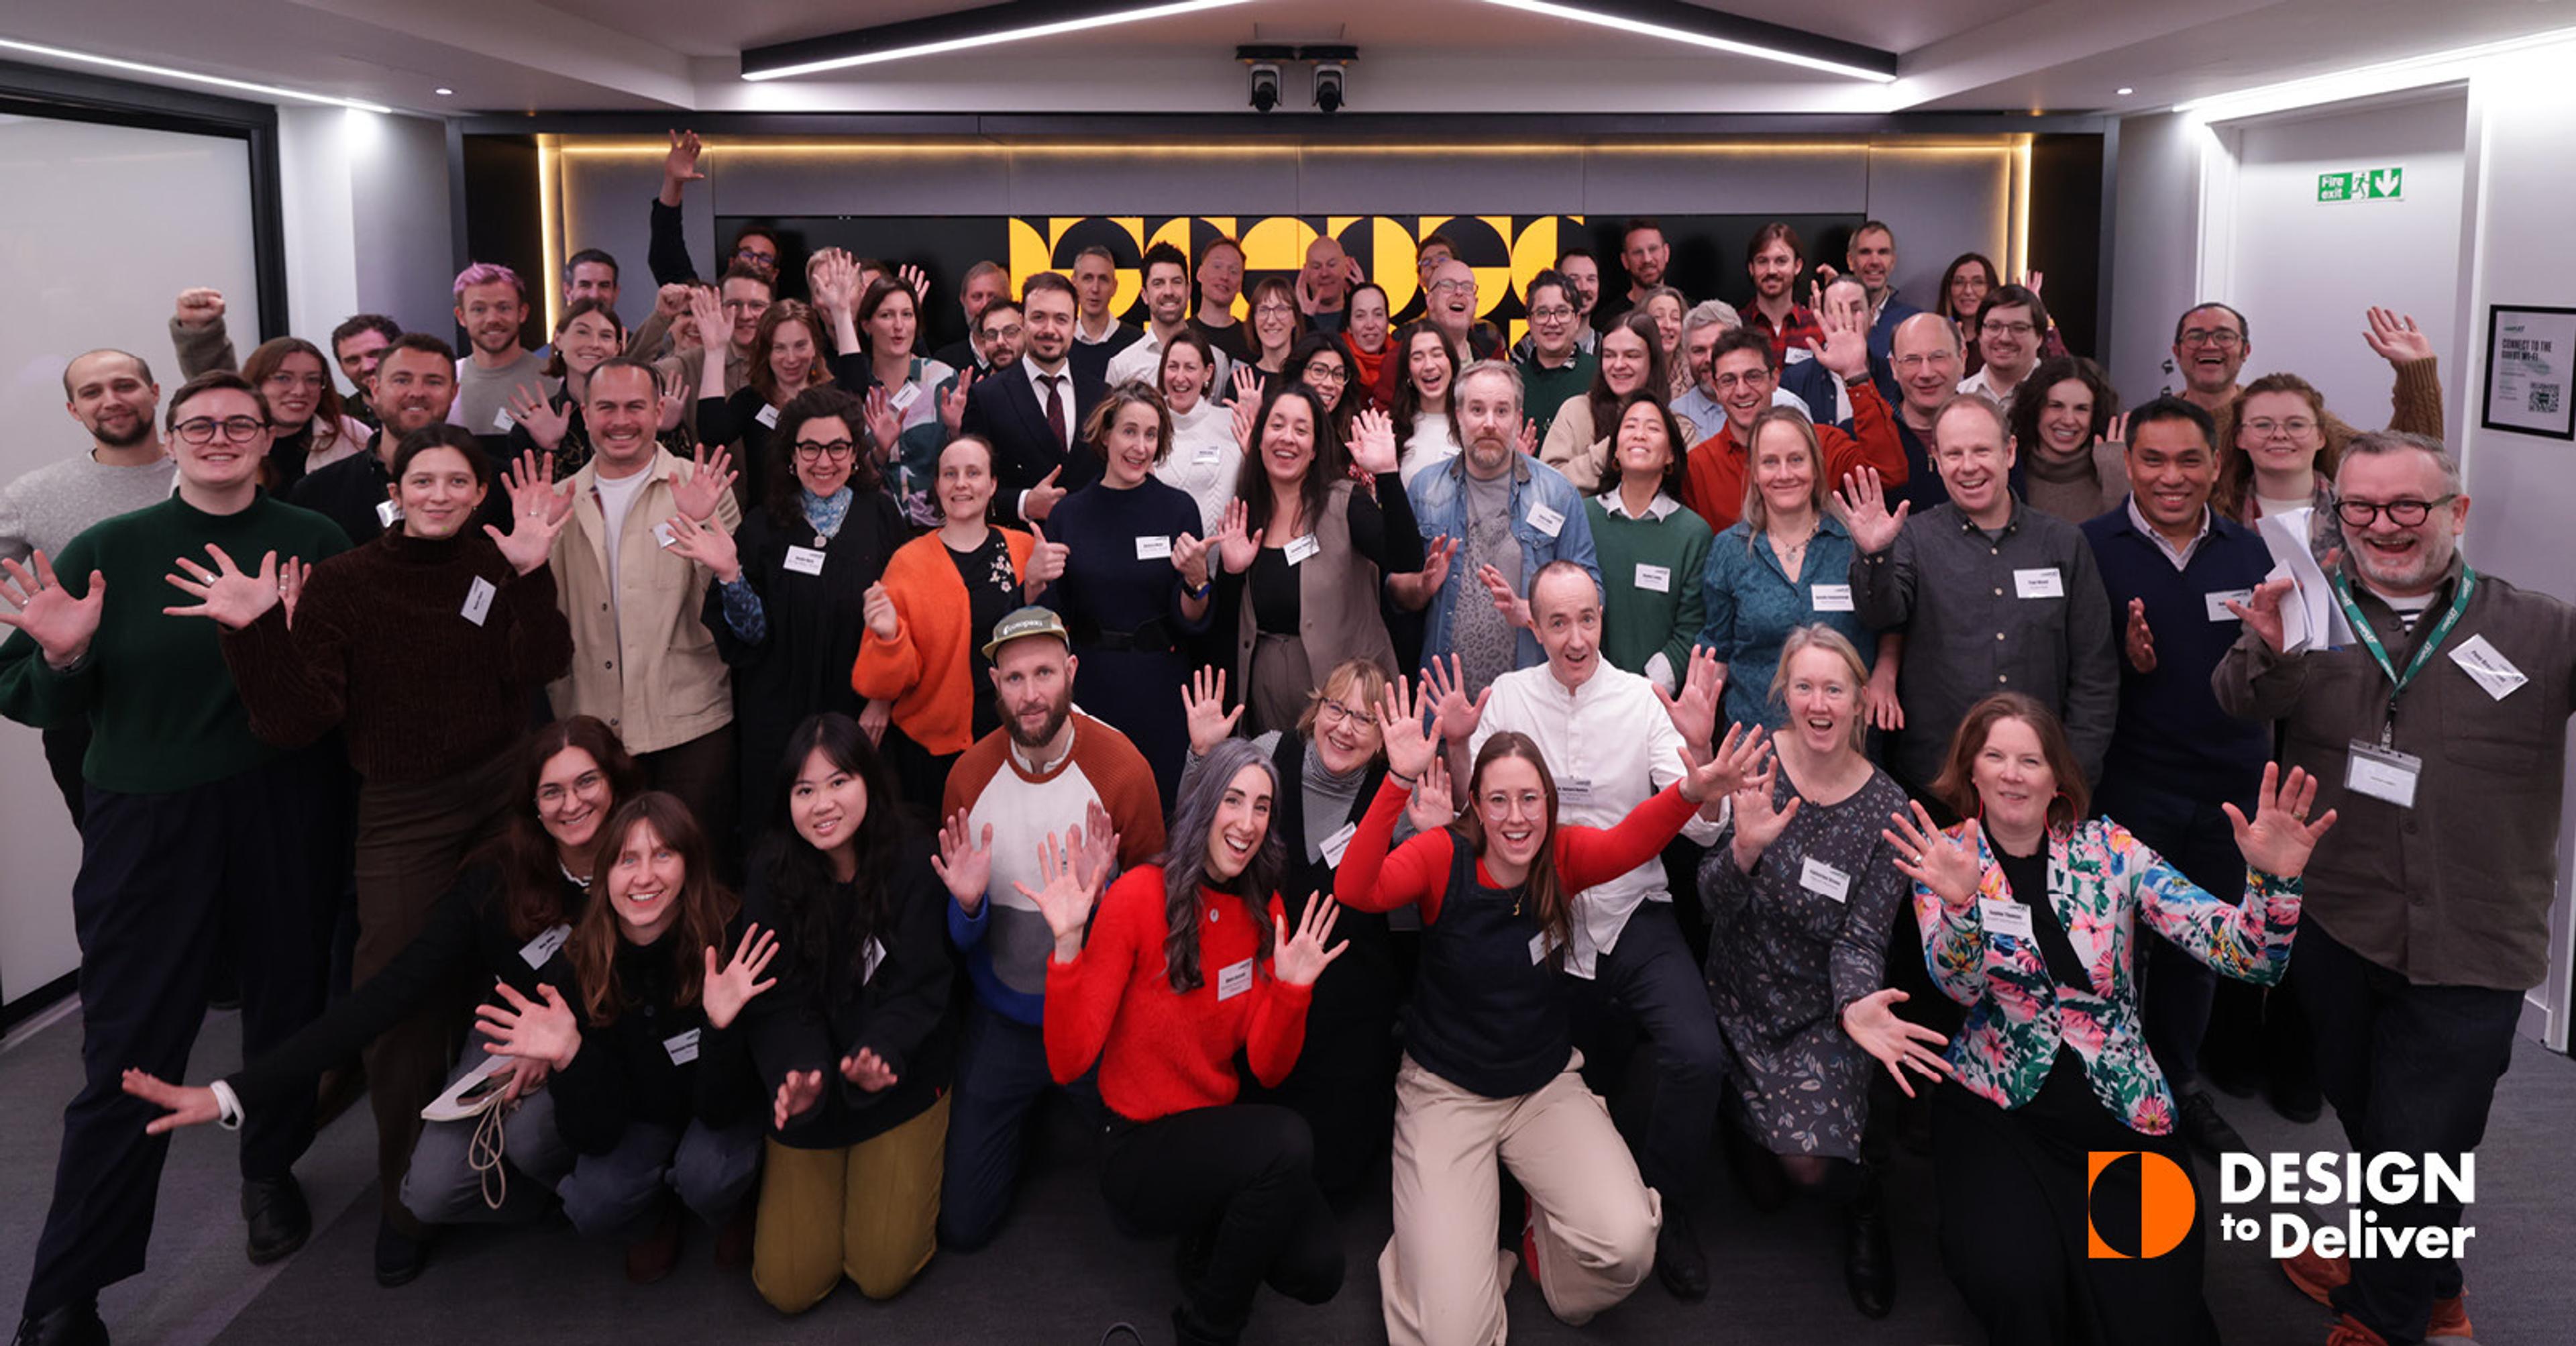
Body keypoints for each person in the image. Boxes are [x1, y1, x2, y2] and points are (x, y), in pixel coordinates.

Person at [2, 372, 350, 1346]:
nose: (221, 437)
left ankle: (269, 1167)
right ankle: (68, 1289)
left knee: (286, 998)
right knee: (127, 1043)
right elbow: (34, 694)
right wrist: (65, 657)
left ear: (266, 440)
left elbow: (335, 690)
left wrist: (274, 638)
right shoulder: (111, 548)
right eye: (200, 424)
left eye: (241, 423)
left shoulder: (313, 540)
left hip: (284, 802)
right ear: (173, 435)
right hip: (148, 818)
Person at [183, 423, 574, 1280]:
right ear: (395, 487)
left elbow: (546, 662)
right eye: (422, 479)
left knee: (527, 972)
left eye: (456, 482)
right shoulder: (345, 582)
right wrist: (254, 635)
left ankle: (530, 1154)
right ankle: (407, 1194)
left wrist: (534, 570)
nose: (439, 494)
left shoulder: (497, 560)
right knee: (398, 1000)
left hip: (508, 792)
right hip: (405, 810)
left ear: (480, 492)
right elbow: (296, 721)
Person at [2216, 431, 2576, 1346]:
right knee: (2374, 1119)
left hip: (2475, 936)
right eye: (2362, 508)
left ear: (2454, 512)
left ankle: (2384, 1319)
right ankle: (2429, 1279)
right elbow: (2240, 702)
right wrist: (2267, 647)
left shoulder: (2542, 627)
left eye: (2407, 505)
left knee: (2423, 1141)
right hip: (2341, 918)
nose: (2384, 525)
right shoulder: (2305, 605)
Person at [1884, 695, 2334, 1346]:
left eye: (2030, 758)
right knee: (2019, 1285)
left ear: (2056, 777)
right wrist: (1960, 904)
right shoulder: (1948, 854)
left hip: (2121, 1107)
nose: (2013, 773)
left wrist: (2275, 882)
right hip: (1999, 1106)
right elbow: (1955, 982)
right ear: (1971, 771)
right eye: (1996, 756)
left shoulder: (2111, 851)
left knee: (2154, 1306)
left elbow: (2248, 957)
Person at [1336, 684, 1760, 1345]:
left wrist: (1692, 789)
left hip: (1541, 1084)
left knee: (1627, 1248)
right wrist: (1395, 778)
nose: (1515, 816)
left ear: (1549, 806)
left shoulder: (1562, 854)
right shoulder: (1441, 855)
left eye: (1530, 799)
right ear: (1475, 804)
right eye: (1498, 798)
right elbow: (1355, 888)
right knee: (1450, 1336)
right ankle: (1430, 1266)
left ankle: (1539, 1247)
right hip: (1446, 1092)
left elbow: (1628, 840)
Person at [119, 718, 638, 1255]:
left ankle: (617, 1193)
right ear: (531, 803)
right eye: (551, 791)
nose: (571, 804)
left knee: (533, 1139)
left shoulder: (646, 861)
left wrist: (561, 1046)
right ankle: (557, 1200)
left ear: (616, 783)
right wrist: (231, 1092)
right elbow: (387, 994)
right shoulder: (497, 878)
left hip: (611, 1040)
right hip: (514, 1036)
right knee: (430, 1193)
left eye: (587, 783)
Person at [1437, 561, 1735, 1298]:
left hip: (1633, 908)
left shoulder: (1639, 700)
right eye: (1557, 622)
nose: (1575, 638)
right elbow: (1468, 815)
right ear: (1532, 627)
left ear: (1603, 618)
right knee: (1533, 1063)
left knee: (1698, 1055)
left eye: (1588, 619)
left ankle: (1664, 1203)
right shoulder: (1507, 695)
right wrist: (1452, 748)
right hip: (1538, 916)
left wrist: (1698, 753)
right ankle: (1526, 1196)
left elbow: (1702, 829)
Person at [1036, 735, 1350, 1345]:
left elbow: (1269, 1066)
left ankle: (1207, 1243)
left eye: (1262, 806)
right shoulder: (1138, 897)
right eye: (1234, 800)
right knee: (1288, 1140)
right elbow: (1067, 1059)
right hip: (1138, 1147)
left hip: (1213, 1137)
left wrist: (1290, 993)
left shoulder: (1267, 912)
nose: (1248, 821)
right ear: (1206, 805)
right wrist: (1068, 946)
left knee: (1320, 1268)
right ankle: (1206, 1333)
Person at [1699, 626, 1925, 1318]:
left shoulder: (1888, 808)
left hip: (1820, 1005)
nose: (1819, 702)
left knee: (1809, 1169)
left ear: (1862, 700)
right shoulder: (1754, 762)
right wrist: (1740, 849)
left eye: (1834, 688)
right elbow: (1709, 901)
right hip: (1738, 992)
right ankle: (1747, 1113)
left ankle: (1865, 1201)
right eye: (1804, 686)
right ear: (1784, 694)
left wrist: (1856, 1004)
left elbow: (1861, 937)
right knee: (1765, 1193)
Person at [2076, 395, 2276, 1161]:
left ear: (2217, 465)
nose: (2171, 476)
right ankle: (2115, 1085)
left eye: (2190, 459)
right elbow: (2072, 671)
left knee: (2202, 953)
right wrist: (2126, 661)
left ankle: (2178, 1081)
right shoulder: (2091, 546)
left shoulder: (2252, 554)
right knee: (2113, 948)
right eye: (2153, 459)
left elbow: (2278, 674)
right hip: (2129, 784)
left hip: (2227, 788)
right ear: (2127, 465)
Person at [931, 607, 1167, 1251]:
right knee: (963, 1225)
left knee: (1145, 1213)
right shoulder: (969, 777)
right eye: (1014, 679)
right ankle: (1029, 1114)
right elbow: (958, 941)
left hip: (1096, 1018)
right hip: (1004, 1020)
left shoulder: (1122, 770)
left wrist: (1110, 895)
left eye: (1043, 674)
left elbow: (1159, 923)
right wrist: (970, 908)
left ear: (1071, 673)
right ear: (995, 685)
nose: (1030, 694)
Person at [475, 791, 767, 1280]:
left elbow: (728, 1105)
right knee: (592, 1204)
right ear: (603, 877)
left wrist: (720, 1027)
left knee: (709, 1176)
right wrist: (570, 1056)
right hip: (638, 1117)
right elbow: (594, 1135)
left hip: (716, 1110)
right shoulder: (575, 967)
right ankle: (653, 1219)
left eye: (663, 855)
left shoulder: (729, 936)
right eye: (627, 859)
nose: (644, 876)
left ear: (690, 865)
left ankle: (728, 1207)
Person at [740, 714, 959, 1312]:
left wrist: (880, 1054)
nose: (822, 804)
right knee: (787, 1286)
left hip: (899, 1072)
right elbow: (774, 996)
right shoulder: (770, 871)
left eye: (838, 782)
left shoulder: (914, 857)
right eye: (804, 790)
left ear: (869, 779)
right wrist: (800, 1074)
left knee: (880, 1269)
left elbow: (921, 987)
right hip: (806, 1084)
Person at [1176, 660, 1409, 1202]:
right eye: (1336, 708)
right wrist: (1202, 758)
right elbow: (1193, 826)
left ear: (1382, 738)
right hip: (1258, 1000)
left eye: (1363, 719)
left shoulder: (1393, 792)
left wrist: (1436, 824)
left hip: (1351, 1014)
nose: (1345, 727)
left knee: (1332, 1187)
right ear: (1316, 708)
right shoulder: (1269, 755)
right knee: (1250, 1167)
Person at [1841, 392, 2118, 801]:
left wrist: (2073, 776)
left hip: (2040, 788)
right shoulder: (1914, 538)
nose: (1968, 467)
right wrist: (1874, 554)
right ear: (1935, 458)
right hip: (1937, 784)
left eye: (1981, 451)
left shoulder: (2063, 543)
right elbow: (1881, 614)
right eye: (1954, 454)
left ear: (2009, 452)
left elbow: (2095, 675)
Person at [672, 386, 908, 849]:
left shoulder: (881, 516)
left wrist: (883, 700)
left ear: (856, 453)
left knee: (863, 836)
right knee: (783, 838)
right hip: (779, 715)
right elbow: (751, 635)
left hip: (861, 710)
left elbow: (903, 620)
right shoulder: (762, 527)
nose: (825, 461)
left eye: (838, 447)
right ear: (791, 456)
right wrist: (730, 575)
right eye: (811, 448)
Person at [544, 357, 747, 870]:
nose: (620, 420)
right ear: (584, 414)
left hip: (689, 724)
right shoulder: (556, 502)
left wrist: (702, 532)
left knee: (697, 869)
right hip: (590, 729)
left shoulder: (701, 488)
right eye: (606, 407)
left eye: (635, 406)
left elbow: (731, 610)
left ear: (660, 411)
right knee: (607, 879)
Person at [0, 350, 178, 827]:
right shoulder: (33, 494)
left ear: (155, 392)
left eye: (125, 386)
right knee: (120, 875)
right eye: (92, 392)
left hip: (202, 701)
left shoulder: (202, 476)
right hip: (88, 713)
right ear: (73, 410)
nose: (111, 400)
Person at [1034, 382, 1218, 805]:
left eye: (1151, 435)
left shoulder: (1178, 509)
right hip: (1090, 689)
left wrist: (1197, 582)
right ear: (1106, 435)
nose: (1140, 446)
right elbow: (1051, 614)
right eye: (1129, 432)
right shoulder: (1069, 515)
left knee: (1161, 813)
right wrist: (1034, 582)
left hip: (1161, 690)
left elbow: (1192, 617)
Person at [1215, 384, 1419, 732]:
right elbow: (1225, 625)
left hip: (1348, 711)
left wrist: (1386, 473)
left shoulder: (1344, 502)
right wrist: (1231, 574)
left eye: (1301, 429)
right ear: (1259, 440)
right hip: (1267, 710)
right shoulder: (1246, 514)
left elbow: (1406, 558)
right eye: (1277, 426)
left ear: (1314, 449)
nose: (1288, 438)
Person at [853, 434, 1037, 810]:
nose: (962, 484)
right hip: (933, 751)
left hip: (1016, 737)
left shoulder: (1024, 549)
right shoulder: (908, 563)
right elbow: (888, 679)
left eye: (973, 472)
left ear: (993, 484)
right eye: (950, 474)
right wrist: (889, 638)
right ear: (937, 486)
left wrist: (1038, 584)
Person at [1408, 360, 1599, 693]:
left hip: (1531, 696)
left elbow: (1593, 592)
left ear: (1518, 418)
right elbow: (1396, 592)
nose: (1489, 424)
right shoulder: (1425, 489)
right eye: (1477, 410)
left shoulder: (1557, 494)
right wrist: (1422, 586)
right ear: (1459, 417)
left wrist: (1531, 612)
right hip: (1444, 696)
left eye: (1502, 410)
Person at [1701, 408, 1894, 733]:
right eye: (1770, 462)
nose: (1784, 474)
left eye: (1796, 460)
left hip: (1844, 742)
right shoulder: (1730, 550)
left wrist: (1885, 672)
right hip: (1757, 742)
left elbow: (1890, 619)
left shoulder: (1853, 541)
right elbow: (1717, 652)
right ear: (1756, 473)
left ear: (1816, 467)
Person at [1678, 319, 1905, 533]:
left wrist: (1856, 376)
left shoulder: (1823, 444)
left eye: (1753, 376)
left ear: (1775, 379)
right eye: (1729, 380)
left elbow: (1888, 474)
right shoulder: (1698, 467)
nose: (1741, 390)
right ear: (1717, 389)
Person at [292, 335, 508, 548]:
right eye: (402, 380)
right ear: (375, 389)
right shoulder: (318, 493)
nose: (416, 392)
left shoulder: (502, 487)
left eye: (433, 382)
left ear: (454, 393)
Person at [1584, 392, 1711, 692]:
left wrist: (1643, 692)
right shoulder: (1584, 518)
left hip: (1656, 700)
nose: (1640, 434)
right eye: (1630, 427)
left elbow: (1692, 628)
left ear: (1670, 456)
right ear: (1615, 452)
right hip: (1584, 688)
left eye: (1653, 428)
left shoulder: (1693, 534)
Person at [816, 264, 955, 523]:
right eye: (887, 316)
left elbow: (967, 463)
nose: (899, 326)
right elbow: (845, 475)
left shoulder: (941, 379)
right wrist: (880, 451)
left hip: (938, 529)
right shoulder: (855, 387)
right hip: (874, 527)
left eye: (907, 315)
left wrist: (957, 429)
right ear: (867, 325)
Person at [962, 272, 1098, 526]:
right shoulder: (987, 397)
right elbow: (967, 489)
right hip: (1019, 550)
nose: (1050, 330)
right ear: (1023, 322)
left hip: (1093, 551)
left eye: (1061, 319)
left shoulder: (1101, 395)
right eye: (1039, 317)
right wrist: (1025, 503)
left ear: (1075, 327)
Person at [694, 295, 853, 508]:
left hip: (831, 521)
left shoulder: (835, 396)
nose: (791, 358)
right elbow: (712, 432)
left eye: (800, 346)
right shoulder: (750, 401)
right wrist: (715, 352)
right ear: (766, 352)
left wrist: (842, 315)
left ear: (815, 346)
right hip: (769, 527)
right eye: (779, 348)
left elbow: (859, 382)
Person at [509, 299, 689, 478]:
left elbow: (682, 489)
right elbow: (530, 505)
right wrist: (549, 448)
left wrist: (665, 431)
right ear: (558, 339)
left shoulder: (650, 414)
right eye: (582, 332)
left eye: (605, 336)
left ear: (617, 348)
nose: (594, 344)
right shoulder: (532, 427)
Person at [1534, 306, 1650, 489]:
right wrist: (1610, 449)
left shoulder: (1673, 421)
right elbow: (1549, 485)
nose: (1619, 365)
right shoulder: (1575, 411)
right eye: (1609, 355)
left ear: (1652, 360)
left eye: (1631, 355)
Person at [236, 337, 370, 493]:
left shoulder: (351, 435)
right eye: (283, 378)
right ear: (256, 383)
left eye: (312, 380)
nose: (300, 391)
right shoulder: (229, 438)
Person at [648, 130, 778, 285]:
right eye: (747, 254)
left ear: (774, 274)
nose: (754, 263)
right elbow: (667, 258)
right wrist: (673, 183)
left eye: (764, 258)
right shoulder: (704, 304)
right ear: (732, 263)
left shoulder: (788, 310)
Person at [2011, 355, 2127, 523]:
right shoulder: (2010, 472)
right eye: (2056, 406)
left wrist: (2117, 476)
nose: (2068, 420)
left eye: (2081, 409)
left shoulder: (2114, 470)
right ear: (2036, 409)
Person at [448, 263, 553, 440]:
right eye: (479, 309)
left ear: (523, 313)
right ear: (461, 316)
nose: (492, 319)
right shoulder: (448, 379)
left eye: (504, 308)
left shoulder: (554, 377)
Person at [1150, 329, 1240, 535]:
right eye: (1173, 367)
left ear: (1207, 372)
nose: (1180, 378)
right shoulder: (1148, 427)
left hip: (1223, 561)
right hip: (1160, 559)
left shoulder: (1232, 424)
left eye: (1190, 368)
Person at [1106, 243, 1227, 389]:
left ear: (1188, 290)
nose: (1168, 291)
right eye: (1158, 283)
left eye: (1176, 282)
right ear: (1145, 295)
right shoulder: (1122, 367)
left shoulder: (1216, 361)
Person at [1884, 312, 1969, 514]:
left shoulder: (1993, 432)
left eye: (1938, 357)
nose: (1926, 373)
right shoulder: (1861, 436)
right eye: (1912, 360)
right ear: (1894, 368)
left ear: (1962, 359)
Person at [1843, 220, 1925, 401]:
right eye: (1865, 252)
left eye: (1883, 252)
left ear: (1892, 261)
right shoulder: (1832, 319)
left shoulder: (1914, 321)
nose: (1874, 261)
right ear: (1851, 261)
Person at [1387, 320, 1461, 488]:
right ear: (1408, 371)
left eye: (1437, 354)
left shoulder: (1471, 423)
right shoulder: (1392, 429)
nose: (1429, 366)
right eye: (1418, 357)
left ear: (1452, 363)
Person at [1955, 284, 2047, 415]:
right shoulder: (1960, 396)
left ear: (2039, 338)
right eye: (1994, 327)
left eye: (2019, 328)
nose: (2005, 338)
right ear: (1979, 335)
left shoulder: (2058, 396)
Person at [1739, 223, 1822, 366]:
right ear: (1751, 268)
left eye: (1781, 261)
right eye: (1762, 261)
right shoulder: (1735, 328)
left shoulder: (1817, 328)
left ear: (1797, 266)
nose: (1771, 270)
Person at [932, 260, 1012, 376]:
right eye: (977, 297)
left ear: (1008, 300)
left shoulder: (1022, 359)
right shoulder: (943, 362)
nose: (985, 305)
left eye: (993, 297)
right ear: (963, 300)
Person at [1233, 277, 1305, 402]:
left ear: (1295, 319)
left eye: (1281, 309)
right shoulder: (1241, 381)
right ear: (1253, 320)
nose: (1271, 320)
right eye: (1263, 310)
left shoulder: (1309, 376)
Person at [1282, 332, 1360, 444]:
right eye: (1319, 371)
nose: (1329, 384)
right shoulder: (1274, 426)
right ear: (1298, 374)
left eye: (1338, 374)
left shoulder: (1356, 437)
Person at [1189, 236, 1252, 367]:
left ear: (1241, 284)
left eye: (1234, 271)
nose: (1225, 276)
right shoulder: (1182, 334)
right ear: (1199, 273)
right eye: (1217, 267)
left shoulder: (1252, 340)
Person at [1069, 244, 1144, 356]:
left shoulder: (1138, 343)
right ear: (1074, 284)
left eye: (1103, 279)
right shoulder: (1060, 342)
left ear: (1114, 287)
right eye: (1088, 278)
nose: (1095, 288)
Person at [1336, 282, 1395, 408]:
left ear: (1387, 321)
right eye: (1360, 316)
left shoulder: (1403, 361)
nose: (1370, 325)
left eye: (1378, 314)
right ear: (1349, 326)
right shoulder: (1336, 364)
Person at [1606, 217, 1672, 324]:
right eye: (1638, 252)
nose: (1647, 259)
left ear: (1666, 253)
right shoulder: (1608, 320)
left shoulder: (1690, 314)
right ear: (1625, 261)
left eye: (1653, 249)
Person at [1935, 253, 1997, 364]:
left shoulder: (2002, 339)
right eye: (1959, 282)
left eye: (1978, 282)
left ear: (1991, 288)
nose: (1968, 291)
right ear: (1949, 289)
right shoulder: (1934, 336)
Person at [1296, 233, 1358, 334]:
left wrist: (1363, 302)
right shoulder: (1291, 325)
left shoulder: (1362, 324)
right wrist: (1304, 318)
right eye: (1317, 267)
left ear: (1346, 268)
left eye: (1331, 265)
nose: (1324, 273)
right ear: (1306, 273)